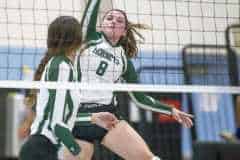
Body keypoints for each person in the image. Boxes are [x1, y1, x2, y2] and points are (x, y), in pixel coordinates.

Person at [65, 0, 194, 160]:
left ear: (124, 31)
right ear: (102, 24)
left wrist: (170, 110)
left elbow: (140, 97)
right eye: (109, 18)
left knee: (149, 159)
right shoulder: (88, 38)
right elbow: (87, 18)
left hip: (108, 117)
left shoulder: (124, 60)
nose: (113, 21)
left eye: (119, 21)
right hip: (80, 118)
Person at [19, 16, 119, 160]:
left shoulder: (64, 66)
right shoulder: (61, 67)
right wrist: (76, 150)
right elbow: (57, 124)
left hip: (44, 149)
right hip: (40, 149)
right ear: (77, 40)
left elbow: (62, 118)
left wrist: (93, 118)